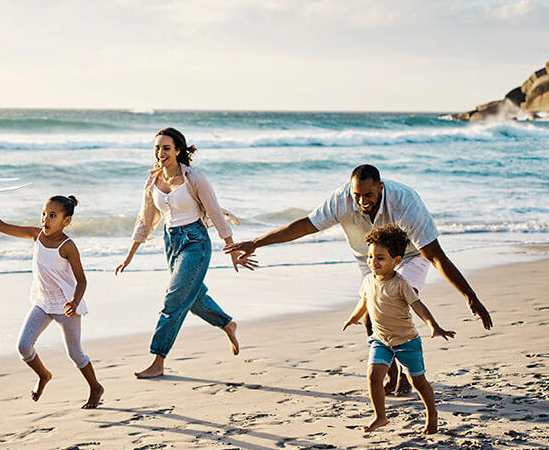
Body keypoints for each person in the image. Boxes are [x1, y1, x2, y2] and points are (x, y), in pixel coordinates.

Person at [225, 163, 492, 393]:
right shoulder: (341, 199)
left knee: (394, 302)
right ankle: (391, 373)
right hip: (370, 258)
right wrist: (257, 242)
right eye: (358, 195)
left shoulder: (405, 203)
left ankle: (408, 371)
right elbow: (305, 226)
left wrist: (470, 296)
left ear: (381, 188)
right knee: (370, 314)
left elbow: (435, 256)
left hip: (410, 256)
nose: (363, 201)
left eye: (369, 195)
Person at [115, 127, 254, 379]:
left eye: (166, 148)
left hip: (195, 243)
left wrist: (232, 248)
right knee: (194, 299)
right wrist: (130, 254)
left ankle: (158, 360)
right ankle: (227, 323)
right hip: (171, 243)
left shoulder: (194, 178)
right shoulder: (152, 181)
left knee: (173, 300)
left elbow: (213, 212)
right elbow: (144, 222)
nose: (160, 153)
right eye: (157, 148)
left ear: (178, 150)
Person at [0, 193, 104, 409]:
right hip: (43, 303)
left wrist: (74, 303)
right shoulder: (36, 235)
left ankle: (95, 387)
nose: (45, 219)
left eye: (52, 215)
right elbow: (0, 226)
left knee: (75, 354)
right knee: (24, 347)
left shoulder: (67, 246)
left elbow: (82, 280)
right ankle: (43, 375)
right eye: (44, 214)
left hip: (66, 306)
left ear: (66, 221)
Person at [344, 224, 455, 434]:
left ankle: (432, 416)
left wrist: (433, 325)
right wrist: (353, 318)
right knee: (373, 376)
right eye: (370, 256)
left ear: (396, 261)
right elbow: (364, 302)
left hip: (407, 342)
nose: (373, 262)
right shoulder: (368, 280)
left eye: (380, 258)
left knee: (418, 382)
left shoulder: (402, 284)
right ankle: (380, 417)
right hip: (381, 341)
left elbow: (418, 305)